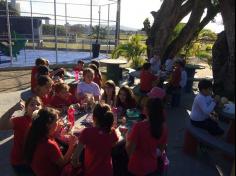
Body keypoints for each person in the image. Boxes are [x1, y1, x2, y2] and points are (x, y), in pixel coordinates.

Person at [24, 107, 78, 176]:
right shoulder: (49, 144)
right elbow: (62, 162)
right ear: (48, 125)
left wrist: (56, 131)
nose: (59, 123)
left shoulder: (34, 133)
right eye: (57, 121)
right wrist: (72, 145)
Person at [72, 103, 119, 176]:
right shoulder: (112, 132)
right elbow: (113, 144)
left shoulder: (86, 132)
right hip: (107, 171)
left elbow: (75, 157)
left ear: (93, 118)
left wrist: (77, 165)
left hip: (91, 172)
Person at [0, 96, 43, 176]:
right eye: (32, 104)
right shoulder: (20, 121)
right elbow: (1, 125)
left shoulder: (42, 121)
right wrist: (13, 109)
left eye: (38, 104)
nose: (36, 106)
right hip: (21, 162)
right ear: (26, 109)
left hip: (35, 159)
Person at [126, 98, 168, 176]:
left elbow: (129, 149)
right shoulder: (164, 127)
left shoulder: (138, 127)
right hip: (152, 166)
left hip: (137, 167)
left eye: (144, 106)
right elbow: (160, 150)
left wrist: (127, 135)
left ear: (147, 110)